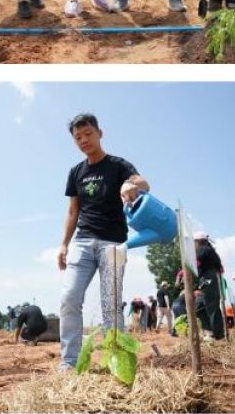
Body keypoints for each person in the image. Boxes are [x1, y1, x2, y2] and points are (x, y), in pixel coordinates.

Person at [57, 113, 149, 370]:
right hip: (82, 242)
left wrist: (131, 185)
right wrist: (64, 244)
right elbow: (72, 210)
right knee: (69, 298)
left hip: (113, 243)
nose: (83, 140)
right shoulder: (76, 172)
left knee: (111, 304)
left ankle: (117, 362)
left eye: (88, 134)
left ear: (100, 133)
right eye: (78, 138)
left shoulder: (119, 165)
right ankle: (69, 363)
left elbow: (144, 183)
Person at [192, 231, 226, 340]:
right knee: (199, 306)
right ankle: (209, 332)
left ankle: (218, 336)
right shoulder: (208, 251)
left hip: (209, 278)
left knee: (212, 306)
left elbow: (195, 263)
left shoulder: (204, 249)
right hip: (206, 279)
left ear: (198, 241)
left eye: (194, 242)